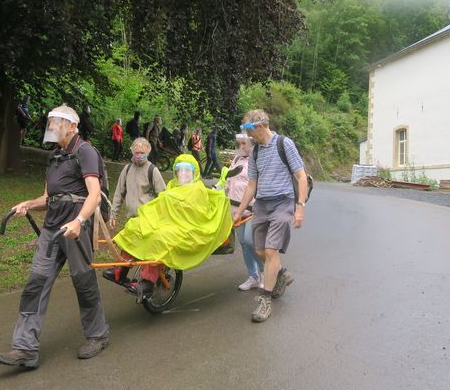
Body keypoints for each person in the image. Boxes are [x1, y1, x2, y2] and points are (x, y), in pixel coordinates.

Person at [0, 104, 110, 369]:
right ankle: (25, 349)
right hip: (52, 228)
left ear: (73, 126)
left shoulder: (86, 152)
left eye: (58, 122)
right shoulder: (55, 156)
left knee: (83, 283)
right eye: (51, 123)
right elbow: (48, 197)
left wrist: (80, 221)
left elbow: (93, 195)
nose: (53, 127)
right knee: (36, 284)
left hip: (76, 228)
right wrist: (28, 204)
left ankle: (98, 335)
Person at [114, 154, 232, 299]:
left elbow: (197, 215)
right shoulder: (171, 185)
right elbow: (161, 206)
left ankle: (147, 283)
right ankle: (120, 269)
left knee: (160, 239)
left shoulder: (197, 189)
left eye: (187, 170)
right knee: (135, 226)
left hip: (186, 228)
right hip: (164, 222)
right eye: (179, 170)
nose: (183, 174)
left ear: (194, 172)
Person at [233, 109, 308, 323]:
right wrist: (239, 212)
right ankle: (281, 273)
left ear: (260, 126)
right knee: (258, 249)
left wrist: (300, 207)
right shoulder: (256, 152)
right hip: (262, 205)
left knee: (270, 249)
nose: (248, 138)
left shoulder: (284, 144)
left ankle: (265, 299)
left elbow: (301, 177)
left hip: (283, 203)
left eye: (249, 132)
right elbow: (252, 184)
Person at [103, 137, 167, 284]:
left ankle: (147, 282)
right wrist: (113, 214)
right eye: (136, 152)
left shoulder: (153, 170)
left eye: (142, 152)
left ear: (148, 152)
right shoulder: (127, 169)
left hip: (148, 221)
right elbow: (119, 193)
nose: (139, 155)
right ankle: (120, 272)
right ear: (132, 151)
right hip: (132, 219)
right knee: (128, 243)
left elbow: (163, 196)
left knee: (149, 251)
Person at [226, 134, 263, 290]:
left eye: (244, 144)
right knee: (244, 244)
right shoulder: (235, 160)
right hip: (235, 209)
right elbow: (228, 181)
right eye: (239, 144)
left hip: (253, 209)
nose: (240, 147)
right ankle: (253, 276)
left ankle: (268, 271)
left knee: (249, 241)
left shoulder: (258, 162)